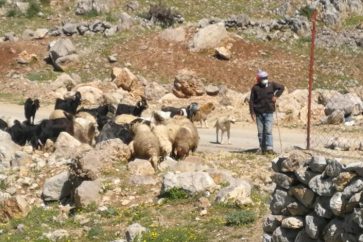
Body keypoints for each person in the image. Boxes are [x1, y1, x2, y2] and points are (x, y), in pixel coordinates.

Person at [249, 70, 285, 154]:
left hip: (269, 112)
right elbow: (251, 101)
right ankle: (262, 148)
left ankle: (269, 148)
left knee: (268, 131)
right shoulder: (255, 88)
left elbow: (282, 87)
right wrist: (252, 113)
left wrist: (276, 96)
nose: (264, 79)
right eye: (261, 78)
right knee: (261, 132)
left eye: (265, 78)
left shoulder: (271, 85)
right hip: (258, 113)